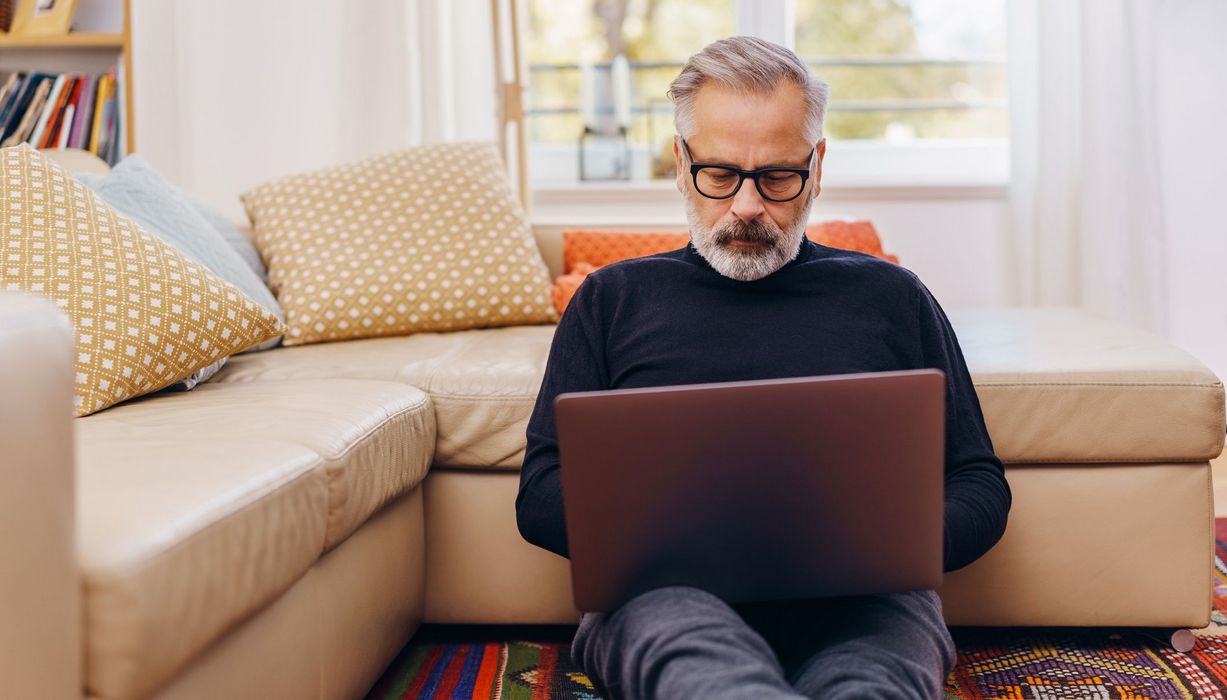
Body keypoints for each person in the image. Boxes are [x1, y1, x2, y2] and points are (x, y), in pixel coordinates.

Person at [516, 36, 1011, 700]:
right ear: (679, 161)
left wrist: (891, 543)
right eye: (719, 175)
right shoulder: (611, 300)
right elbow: (540, 493)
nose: (746, 208)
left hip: (864, 598)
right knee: (705, 675)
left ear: (817, 164)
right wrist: (673, 539)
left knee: (874, 681)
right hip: (666, 597)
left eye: (777, 177)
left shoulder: (891, 297)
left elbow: (977, 481)